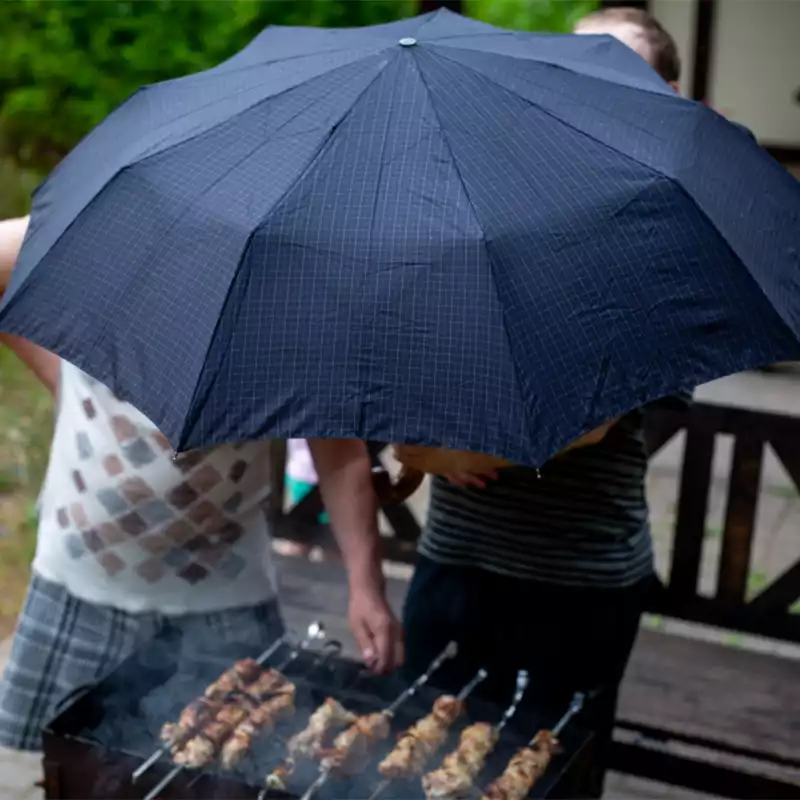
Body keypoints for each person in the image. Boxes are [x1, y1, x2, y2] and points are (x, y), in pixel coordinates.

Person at [402, 8, 685, 797]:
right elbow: (413, 350)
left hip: (577, 586)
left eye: (615, 73)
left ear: (663, 94)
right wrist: (409, 429)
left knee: (548, 780)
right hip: (455, 564)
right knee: (418, 767)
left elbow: (587, 421)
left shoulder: (666, 240)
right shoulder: (486, 198)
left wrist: (446, 449)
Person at [0, 216, 401, 752]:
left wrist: (365, 584)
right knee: (67, 767)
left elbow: (338, 449)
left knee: (230, 769)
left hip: (224, 597)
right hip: (80, 582)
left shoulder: (290, 293)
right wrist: (54, 370)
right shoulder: (102, 241)